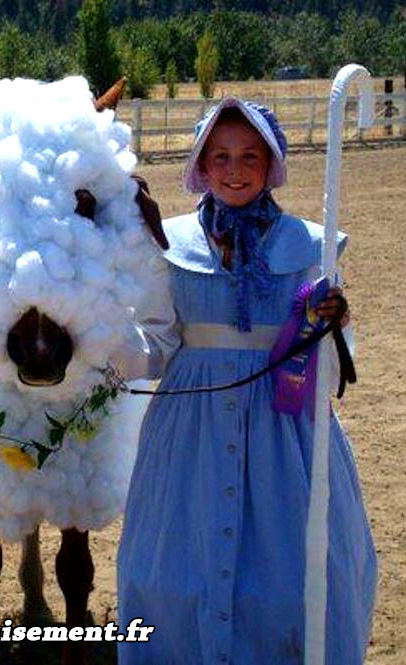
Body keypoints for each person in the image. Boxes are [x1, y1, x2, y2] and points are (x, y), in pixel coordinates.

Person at [116, 97, 377, 664]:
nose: (235, 170)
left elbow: (331, 370)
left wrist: (336, 328)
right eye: (222, 157)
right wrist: (103, 349)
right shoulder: (170, 247)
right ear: (203, 166)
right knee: (173, 574)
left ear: (271, 165)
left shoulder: (313, 248)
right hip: (190, 441)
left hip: (287, 438)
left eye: (249, 157)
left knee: (289, 585)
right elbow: (156, 344)